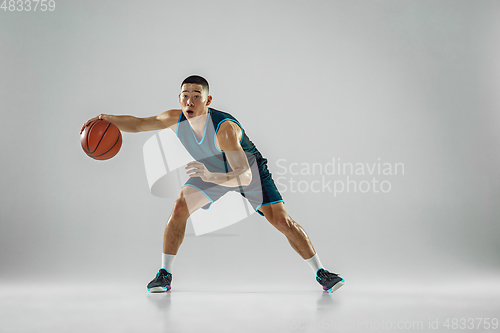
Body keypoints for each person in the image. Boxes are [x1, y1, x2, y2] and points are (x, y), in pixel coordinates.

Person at [81, 75, 344, 293]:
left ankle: (322, 273)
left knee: (281, 222)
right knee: (180, 208)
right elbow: (138, 124)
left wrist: (209, 177)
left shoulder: (224, 130)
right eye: (185, 94)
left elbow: (244, 176)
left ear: (208, 100)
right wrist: (107, 118)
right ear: (179, 98)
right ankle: (164, 274)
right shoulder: (175, 118)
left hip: (248, 170)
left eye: (197, 95)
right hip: (213, 168)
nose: (190, 100)